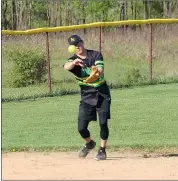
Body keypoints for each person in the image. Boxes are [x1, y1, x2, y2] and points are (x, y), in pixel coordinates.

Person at [63, 35, 111, 160]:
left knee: (103, 122)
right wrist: (74, 62)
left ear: (83, 43)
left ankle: (102, 150)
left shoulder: (95, 55)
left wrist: (96, 72)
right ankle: (90, 143)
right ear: (71, 48)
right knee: (81, 128)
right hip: (86, 95)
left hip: (102, 93)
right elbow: (66, 67)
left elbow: (100, 69)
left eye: (79, 43)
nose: (77, 47)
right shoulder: (72, 60)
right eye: (74, 45)